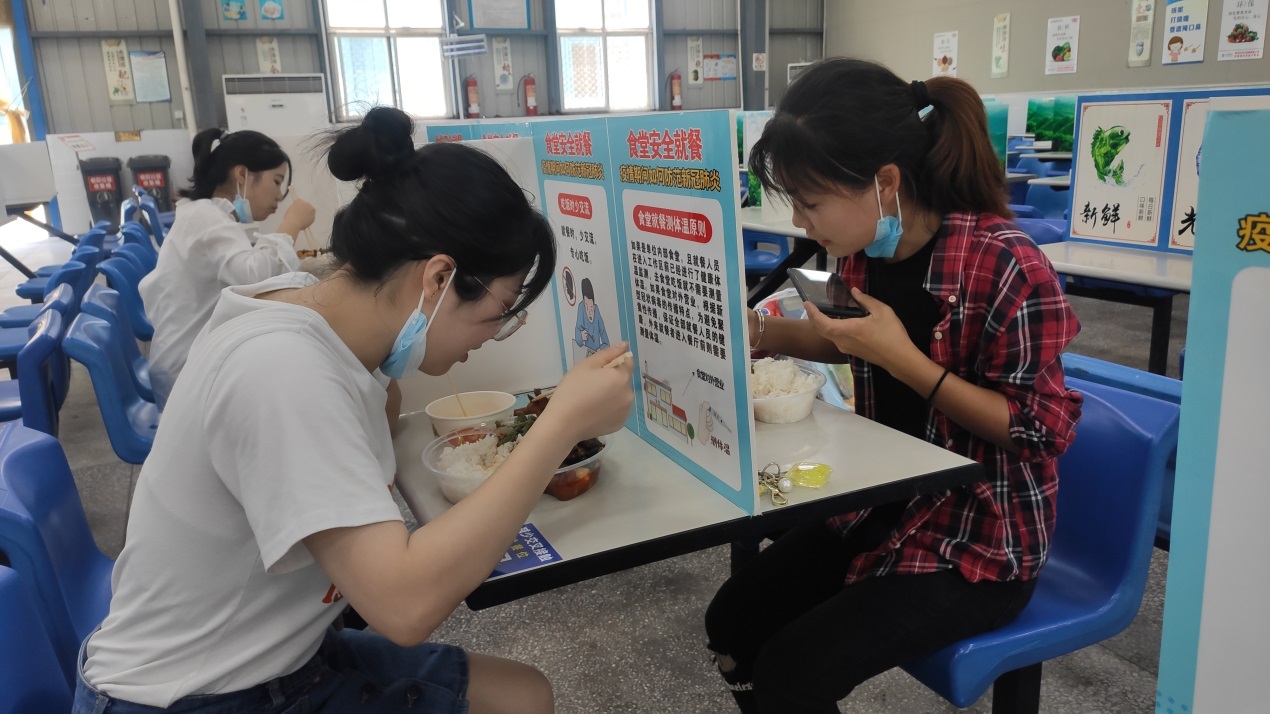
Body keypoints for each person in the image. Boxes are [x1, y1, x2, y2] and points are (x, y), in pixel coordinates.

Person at [75, 107, 635, 714]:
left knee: (522, 694)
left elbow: (373, 419)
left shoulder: (313, 311)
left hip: (282, 651)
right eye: (498, 314)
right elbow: (404, 606)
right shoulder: (283, 369)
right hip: (196, 693)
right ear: (437, 279)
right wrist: (560, 424)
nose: (490, 337)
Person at [704, 58, 1083, 713]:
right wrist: (756, 331)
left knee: (793, 673)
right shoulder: (863, 251)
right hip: (883, 503)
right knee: (733, 622)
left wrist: (906, 361)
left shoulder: (1006, 265)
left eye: (811, 202)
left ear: (885, 182)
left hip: (981, 537)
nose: (802, 223)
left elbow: (1041, 431)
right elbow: (843, 339)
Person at [139, 127, 317, 408]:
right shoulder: (206, 218)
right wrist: (291, 224)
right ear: (242, 174)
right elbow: (252, 274)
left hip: (187, 360)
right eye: (277, 181)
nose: (280, 196)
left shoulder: (206, 214)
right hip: (187, 373)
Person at [573, 277, 610, 355]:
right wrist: (580, 337)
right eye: (586, 306)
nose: (589, 312)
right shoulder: (581, 307)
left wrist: (600, 349)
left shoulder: (597, 312)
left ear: (594, 305)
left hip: (597, 354)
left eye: (591, 307)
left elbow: (606, 343)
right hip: (585, 353)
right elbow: (577, 329)